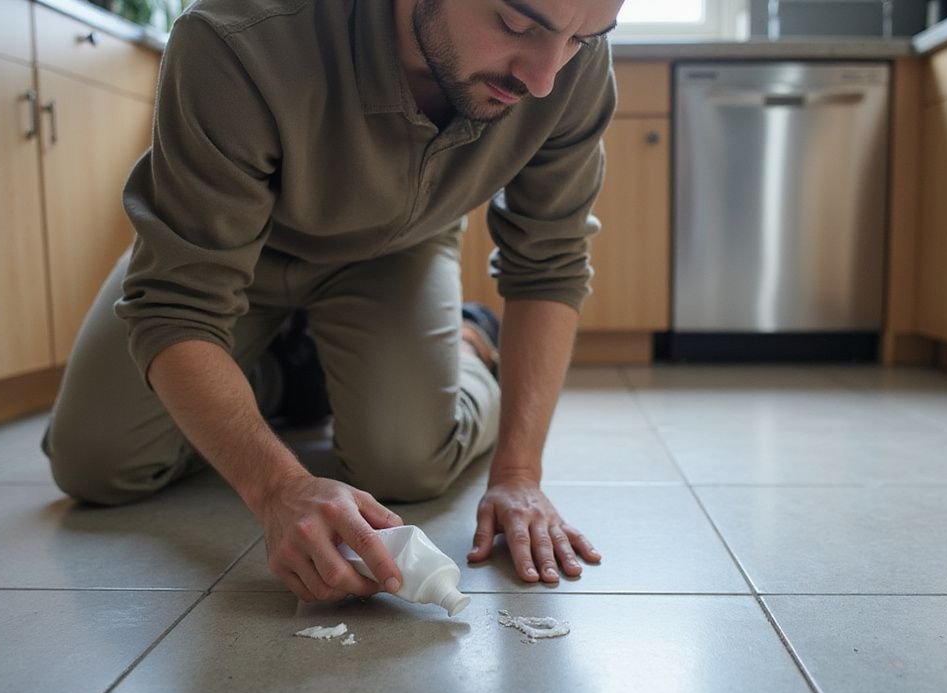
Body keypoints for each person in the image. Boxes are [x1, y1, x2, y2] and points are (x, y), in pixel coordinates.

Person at [42, 0, 622, 603]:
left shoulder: (570, 61)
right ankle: (294, 375)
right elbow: (176, 302)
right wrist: (276, 487)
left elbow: (548, 266)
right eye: (517, 25)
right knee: (97, 464)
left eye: (582, 38)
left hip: (399, 249)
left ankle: (468, 344)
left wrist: (518, 475)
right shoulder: (235, 32)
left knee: (404, 465)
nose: (545, 78)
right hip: (234, 251)